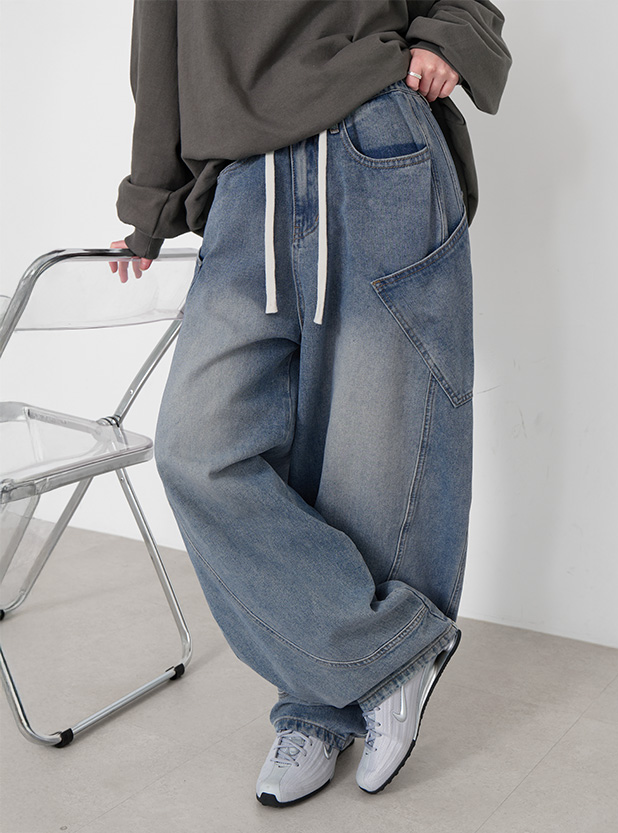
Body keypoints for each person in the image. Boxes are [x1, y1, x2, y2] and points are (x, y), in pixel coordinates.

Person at [111, 0, 512, 807]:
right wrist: (152, 204)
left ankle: (317, 709)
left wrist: (451, 33)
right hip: (242, 182)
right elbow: (160, 33)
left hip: (373, 139)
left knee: (372, 452)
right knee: (197, 447)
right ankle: (389, 657)